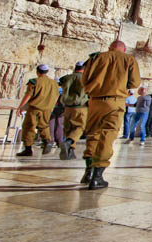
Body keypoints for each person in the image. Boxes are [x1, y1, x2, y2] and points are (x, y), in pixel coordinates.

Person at [82, 41, 141, 189]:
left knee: (93, 134)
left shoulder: (95, 58)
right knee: (107, 135)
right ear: (124, 49)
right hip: (115, 101)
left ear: (110, 47)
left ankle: (88, 171)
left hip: (95, 101)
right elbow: (134, 83)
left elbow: (85, 79)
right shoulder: (129, 60)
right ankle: (97, 176)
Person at [15, 65, 58, 157]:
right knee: (43, 125)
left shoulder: (34, 81)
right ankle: (47, 141)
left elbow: (28, 94)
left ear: (37, 72)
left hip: (35, 108)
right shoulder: (54, 83)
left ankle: (28, 149)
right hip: (47, 108)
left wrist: (21, 106)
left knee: (28, 127)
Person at [58, 61, 88, 160]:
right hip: (81, 107)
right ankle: (69, 142)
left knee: (68, 128)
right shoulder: (86, 78)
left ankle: (70, 151)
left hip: (67, 107)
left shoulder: (66, 78)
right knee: (80, 127)